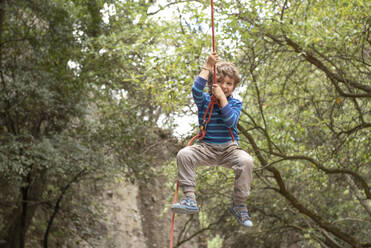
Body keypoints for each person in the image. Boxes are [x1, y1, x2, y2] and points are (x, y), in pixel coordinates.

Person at [171, 52, 254, 227]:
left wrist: (222, 98)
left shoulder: (235, 103)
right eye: (221, 82)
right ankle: (190, 199)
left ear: (234, 86)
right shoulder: (205, 101)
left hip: (229, 150)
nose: (225, 86)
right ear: (212, 84)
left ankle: (239, 205)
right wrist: (207, 67)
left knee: (246, 161)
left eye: (229, 84)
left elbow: (231, 121)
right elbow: (195, 90)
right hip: (206, 148)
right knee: (184, 154)